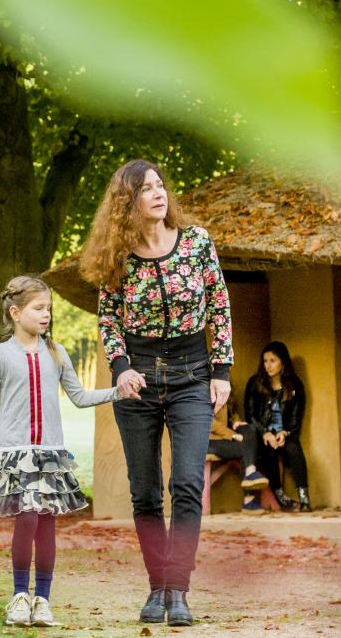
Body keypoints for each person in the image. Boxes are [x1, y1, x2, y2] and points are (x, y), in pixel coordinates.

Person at [77, 158, 233, 627]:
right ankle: (156, 585)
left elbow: (220, 305)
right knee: (144, 493)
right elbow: (108, 319)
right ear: (128, 202)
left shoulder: (197, 243)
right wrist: (120, 368)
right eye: (146, 189)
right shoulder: (116, 257)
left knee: (186, 483)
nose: (159, 193)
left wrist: (221, 370)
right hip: (138, 380)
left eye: (161, 185)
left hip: (191, 375)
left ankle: (179, 589)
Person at [0, 275, 120, 627]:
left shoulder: (57, 352)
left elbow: (81, 397)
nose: (46, 315)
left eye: (49, 308)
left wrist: (118, 391)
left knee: (47, 526)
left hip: (50, 454)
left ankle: (43, 600)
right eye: (39, 308)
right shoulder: (0, 355)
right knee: (26, 518)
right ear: (15, 312)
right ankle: (19, 596)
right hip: (16, 453)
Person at [245, 341, 310, 512]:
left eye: (272, 360)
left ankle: (304, 498)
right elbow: (250, 415)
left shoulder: (295, 385)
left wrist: (285, 432)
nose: (268, 365)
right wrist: (265, 433)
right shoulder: (255, 383)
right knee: (269, 450)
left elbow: (296, 417)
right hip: (263, 435)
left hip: (285, 434)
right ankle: (281, 496)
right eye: (265, 361)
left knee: (294, 448)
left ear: (283, 362)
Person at [207, 396, 271, 511]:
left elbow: (232, 412)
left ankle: (250, 472)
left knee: (249, 429)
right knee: (247, 448)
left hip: (223, 438)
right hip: (206, 441)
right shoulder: (201, 388)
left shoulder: (225, 390)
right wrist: (232, 435)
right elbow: (207, 421)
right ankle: (249, 500)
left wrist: (236, 421)